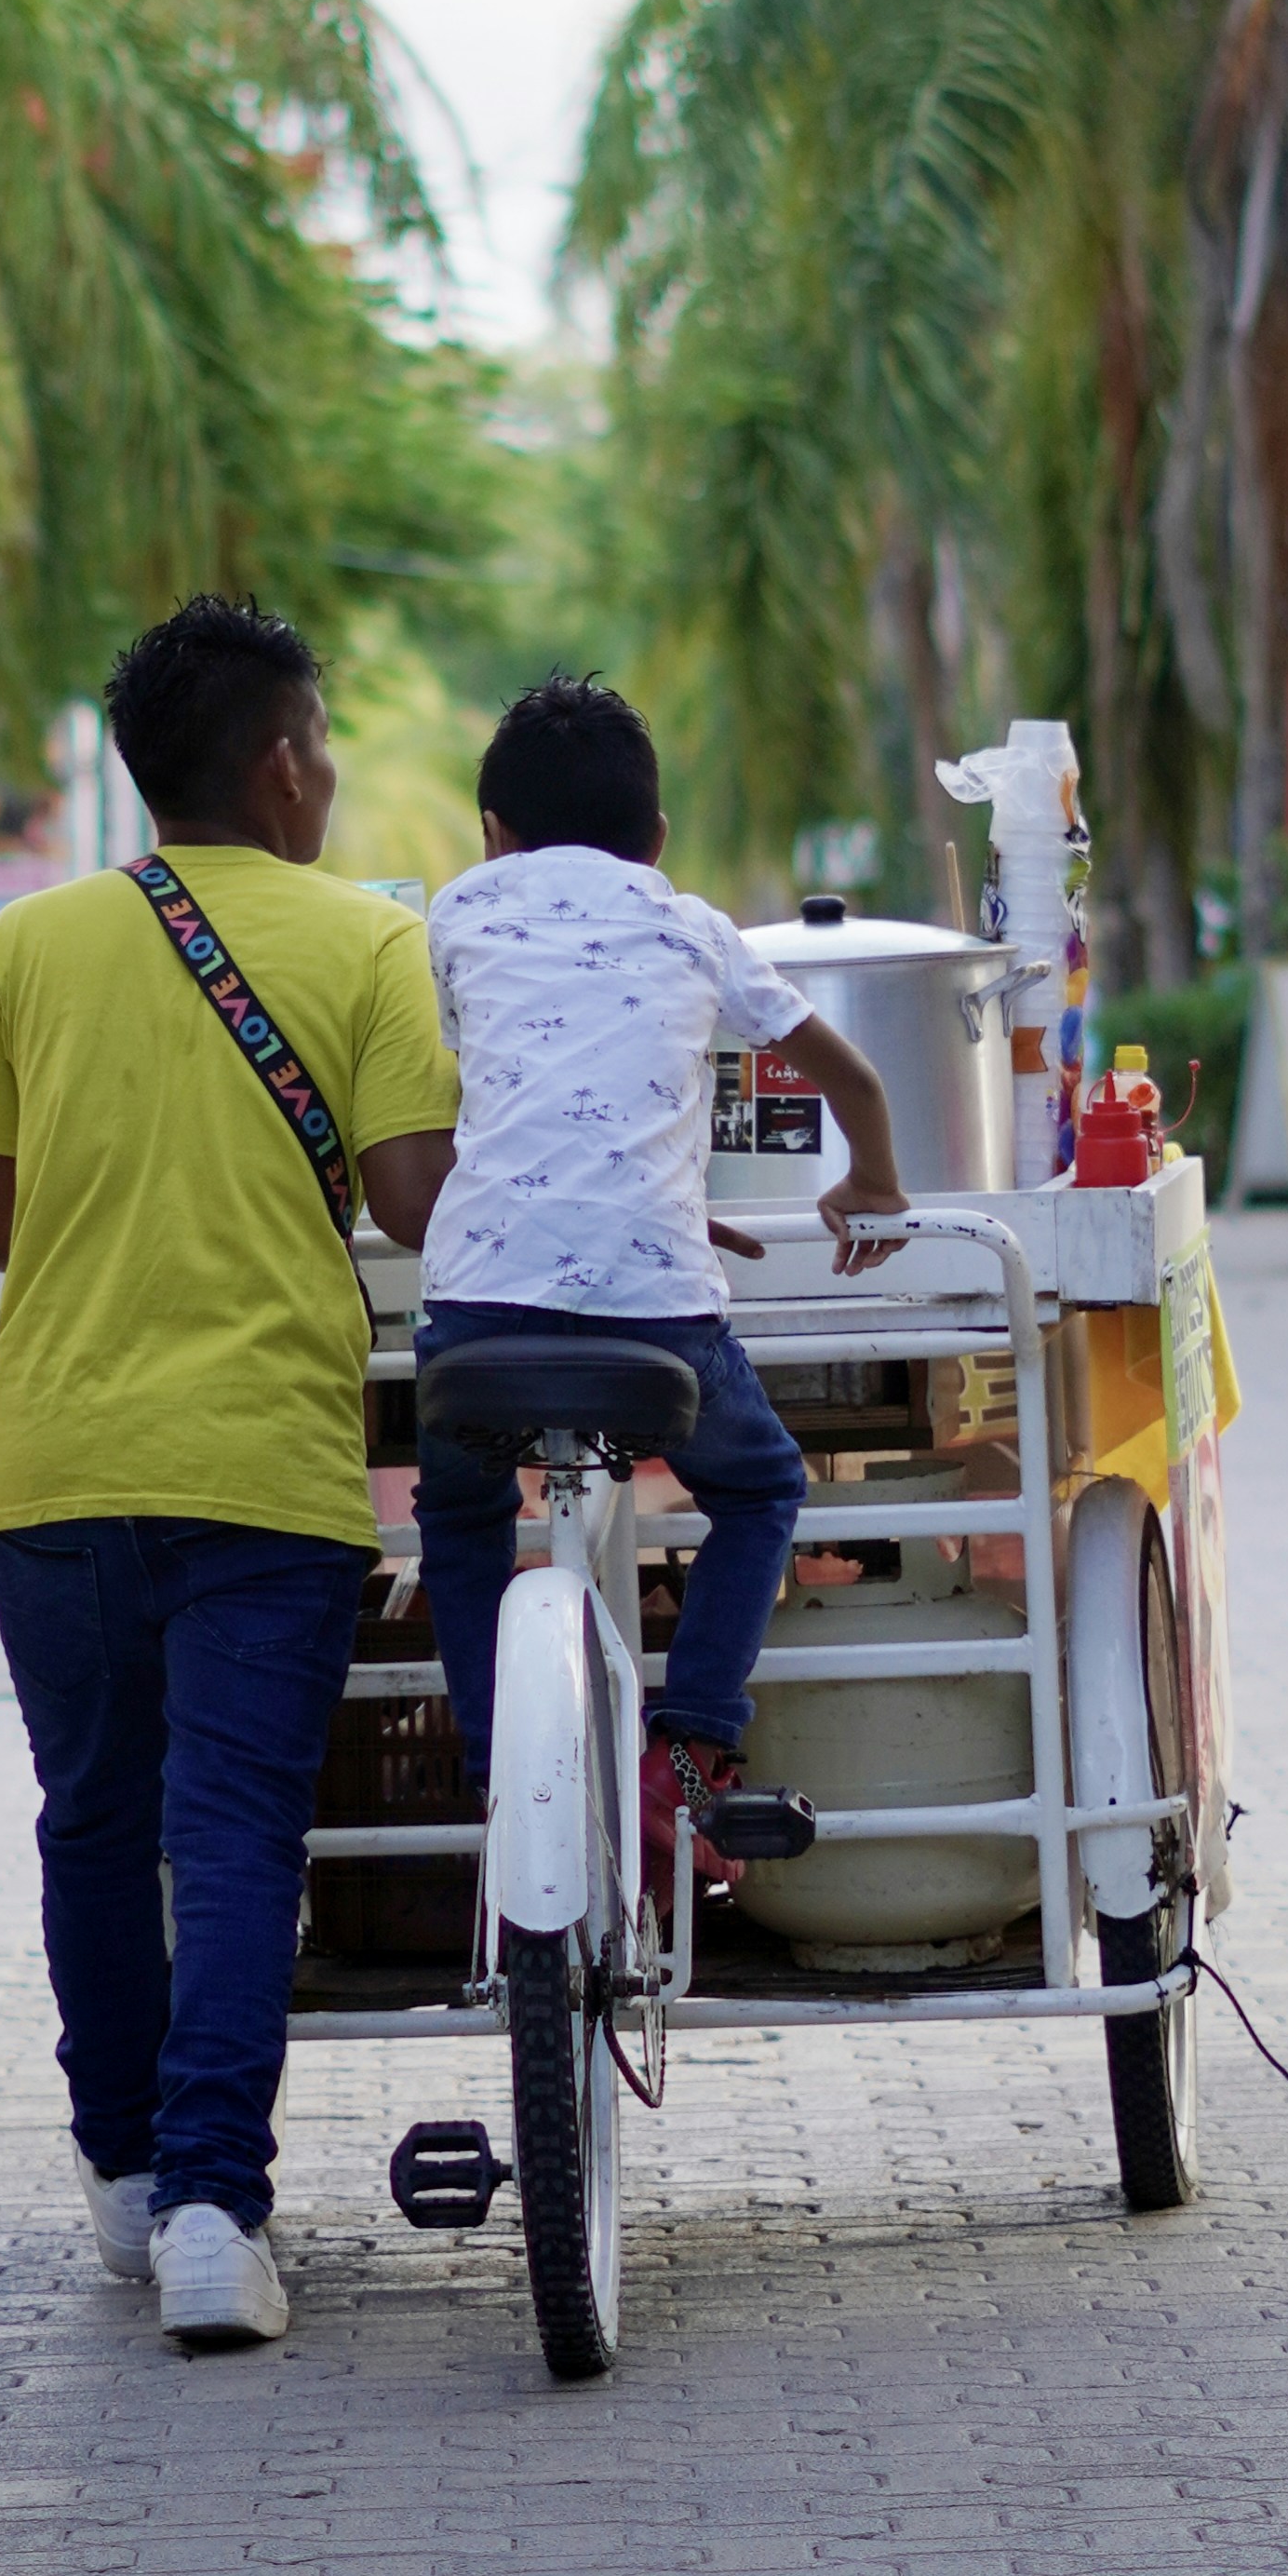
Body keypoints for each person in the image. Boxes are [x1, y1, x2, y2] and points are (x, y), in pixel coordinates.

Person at [0, 596, 460, 2354]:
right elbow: (407, 1197)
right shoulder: (371, 945)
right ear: (285, 761)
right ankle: (216, 2214)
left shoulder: (26, 942)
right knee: (234, 1834)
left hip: (58, 1465)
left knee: (93, 1821)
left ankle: (124, 2170)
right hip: (267, 1468)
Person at [413, 673, 907, 1893]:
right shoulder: (691, 924)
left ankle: (492, 1770)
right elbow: (853, 1082)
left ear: (490, 831)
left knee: (464, 1515)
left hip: (476, 1305)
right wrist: (873, 1186)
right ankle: (689, 1757)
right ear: (657, 840)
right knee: (759, 1486)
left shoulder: (457, 914)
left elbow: (520, 1093)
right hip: (659, 1316)